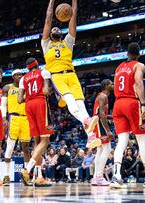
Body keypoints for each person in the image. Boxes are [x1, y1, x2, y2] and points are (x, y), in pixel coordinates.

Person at [41, 0, 99, 148]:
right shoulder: (46, 44)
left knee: (81, 105)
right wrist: (52, 2)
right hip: (57, 76)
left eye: (56, 28)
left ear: (61, 33)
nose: (54, 28)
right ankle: (86, 121)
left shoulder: (68, 41)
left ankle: (91, 136)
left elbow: (73, 19)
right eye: (52, 28)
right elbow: (48, 19)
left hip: (71, 75)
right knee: (71, 103)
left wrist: (74, 2)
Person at [110, 42, 145, 188]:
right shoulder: (139, 65)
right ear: (138, 54)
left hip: (117, 104)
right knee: (142, 140)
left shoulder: (119, 67)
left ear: (127, 53)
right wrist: (144, 104)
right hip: (131, 103)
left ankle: (116, 176)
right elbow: (138, 83)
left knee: (121, 141)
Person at [18, 58, 54, 187]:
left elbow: (19, 99)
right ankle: (27, 170)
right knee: (45, 140)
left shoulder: (23, 78)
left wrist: (30, 95)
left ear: (27, 68)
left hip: (28, 105)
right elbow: (45, 91)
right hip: (40, 103)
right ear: (37, 64)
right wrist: (50, 92)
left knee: (37, 141)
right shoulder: (44, 72)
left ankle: (39, 177)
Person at [2, 69, 31, 186]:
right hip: (13, 118)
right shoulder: (7, 88)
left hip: (26, 118)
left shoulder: (26, 88)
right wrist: (4, 118)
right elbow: (3, 105)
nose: (19, 76)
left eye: (21, 75)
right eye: (17, 75)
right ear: (13, 77)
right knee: (10, 147)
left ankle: (26, 175)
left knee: (26, 147)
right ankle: (6, 176)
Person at [91, 79, 113, 186]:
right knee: (107, 148)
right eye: (111, 84)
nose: (112, 85)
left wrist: (112, 117)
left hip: (97, 122)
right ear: (106, 86)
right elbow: (101, 114)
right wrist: (108, 130)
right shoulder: (103, 96)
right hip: (99, 123)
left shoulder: (102, 96)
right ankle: (99, 176)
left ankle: (95, 177)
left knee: (100, 150)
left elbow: (102, 113)